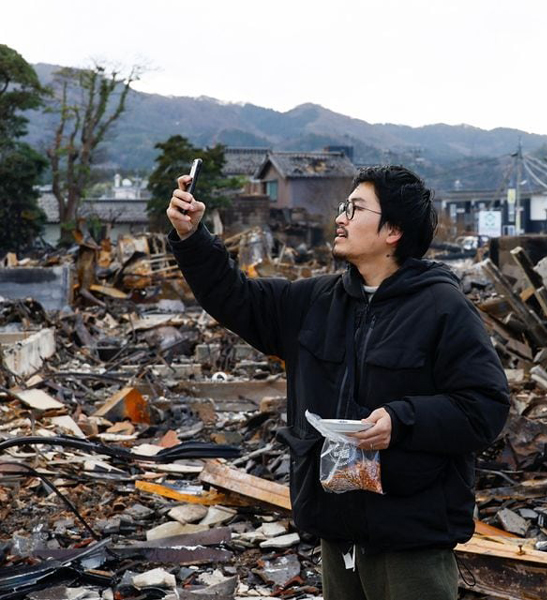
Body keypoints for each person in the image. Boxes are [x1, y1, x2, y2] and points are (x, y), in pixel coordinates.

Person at [167, 165, 509, 600]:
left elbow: (485, 406)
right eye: (343, 207)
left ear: (394, 231)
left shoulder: (443, 307)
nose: (341, 218)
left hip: (411, 539)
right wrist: (192, 237)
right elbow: (236, 297)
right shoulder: (315, 301)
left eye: (355, 208)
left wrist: (402, 420)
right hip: (337, 530)